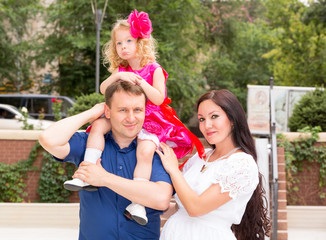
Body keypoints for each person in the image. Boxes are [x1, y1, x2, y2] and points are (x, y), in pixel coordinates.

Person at [63, 9, 205, 225]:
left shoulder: (154, 69)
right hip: (125, 116)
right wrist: (118, 76)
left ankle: (137, 202)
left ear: (141, 42)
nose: (123, 47)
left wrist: (141, 82)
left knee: (146, 150)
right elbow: (103, 89)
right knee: (99, 125)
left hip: (150, 119)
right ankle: (87, 170)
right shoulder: (122, 69)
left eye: (128, 41)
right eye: (118, 44)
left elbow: (159, 99)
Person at [38, 81, 173, 240]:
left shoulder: (154, 151)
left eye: (137, 110)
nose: (131, 118)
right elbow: (48, 139)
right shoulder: (89, 144)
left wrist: (104, 178)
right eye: (123, 110)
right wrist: (92, 112)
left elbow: (161, 199)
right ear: (107, 112)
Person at [156, 89, 271, 240]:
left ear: (232, 119)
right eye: (202, 119)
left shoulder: (242, 163)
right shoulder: (198, 158)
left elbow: (196, 208)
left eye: (214, 116)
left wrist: (173, 169)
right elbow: (181, 208)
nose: (207, 125)